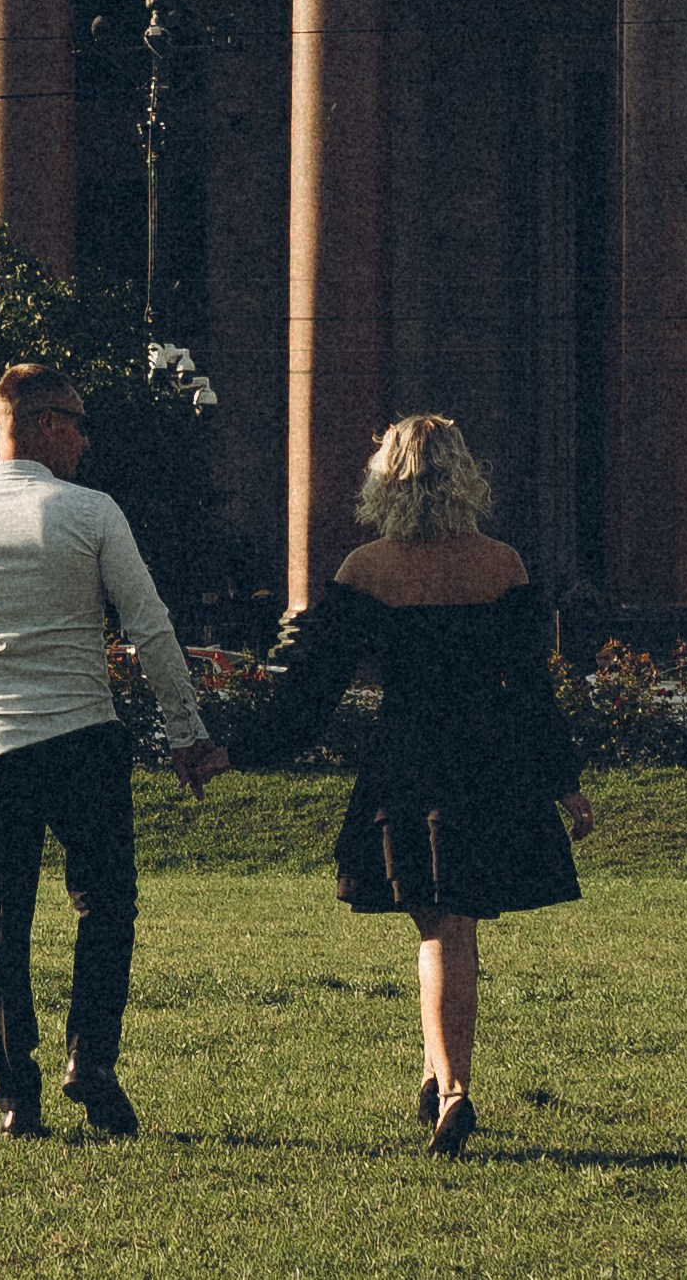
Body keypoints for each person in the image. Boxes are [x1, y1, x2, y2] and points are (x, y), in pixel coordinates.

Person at [229, 415, 593, 1157]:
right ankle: (436, 1072)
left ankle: (452, 1086)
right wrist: (563, 781)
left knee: (439, 924)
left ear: (383, 479)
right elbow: (530, 688)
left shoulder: (366, 567)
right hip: (487, 757)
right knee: (451, 923)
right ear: (464, 476)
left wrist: (234, 750)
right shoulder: (503, 564)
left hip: (408, 757)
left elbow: (311, 694)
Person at [0, 362, 230, 1141]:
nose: (85, 437)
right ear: (41, 422)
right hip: (84, 738)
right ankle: (93, 1055)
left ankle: (18, 1095)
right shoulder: (90, 511)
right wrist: (187, 732)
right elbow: (148, 624)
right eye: (78, 421)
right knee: (106, 904)